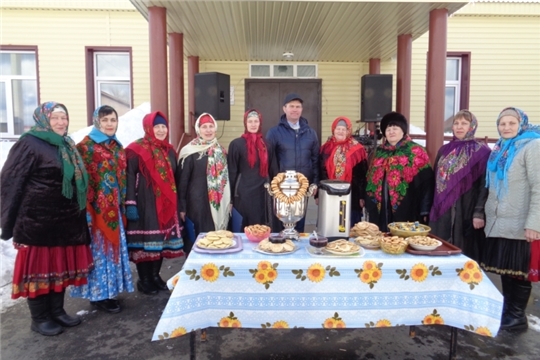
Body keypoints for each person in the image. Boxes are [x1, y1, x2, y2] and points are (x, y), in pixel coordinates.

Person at [0, 102, 93, 336]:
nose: (61, 122)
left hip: (64, 222)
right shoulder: (29, 143)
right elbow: (11, 182)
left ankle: (57, 311)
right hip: (37, 222)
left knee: (58, 268)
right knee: (39, 270)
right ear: (43, 119)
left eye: (64, 117)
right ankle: (39, 318)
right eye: (55, 118)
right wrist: (11, 224)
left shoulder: (66, 144)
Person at [70, 106, 134, 313]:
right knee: (100, 253)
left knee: (112, 252)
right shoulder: (86, 147)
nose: (109, 124)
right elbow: (80, 181)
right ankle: (98, 295)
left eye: (112, 120)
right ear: (96, 121)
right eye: (104, 120)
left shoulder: (116, 146)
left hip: (114, 208)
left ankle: (110, 292)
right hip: (95, 212)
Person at [482, 107, 540, 331]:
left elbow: (538, 188)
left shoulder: (532, 146)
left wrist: (534, 223)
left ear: (521, 124)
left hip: (521, 222)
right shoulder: (500, 148)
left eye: (511, 123)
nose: (506, 127)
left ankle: (517, 317)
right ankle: (509, 312)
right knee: (508, 271)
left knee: (520, 272)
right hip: (502, 220)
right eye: (502, 123)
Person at [125, 111, 184, 295]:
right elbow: (128, 177)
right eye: (156, 126)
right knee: (146, 242)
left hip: (166, 205)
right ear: (148, 128)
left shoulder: (170, 150)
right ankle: (144, 280)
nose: (160, 130)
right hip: (145, 203)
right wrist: (130, 203)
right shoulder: (136, 150)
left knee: (161, 242)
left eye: (163, 126)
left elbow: (176, 178)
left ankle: (155, 276)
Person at [429, 110, 491, 261]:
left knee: (464, 251)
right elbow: (435, 179)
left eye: (464, 123)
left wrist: (478, 212)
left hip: (466, 206)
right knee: (440, 247)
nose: (459, 127)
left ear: (472, 126)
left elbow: (485, 185)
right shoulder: (444, 150)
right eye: (456, 123)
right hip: (443, 208)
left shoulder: (481, 151)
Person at [365, 111, 434, 232]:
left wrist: (425, 209)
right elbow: (370, 179)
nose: (391, 132)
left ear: (403, 130)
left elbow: (427, 182)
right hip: (381, 207)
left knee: (402, 240)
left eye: (395, 128)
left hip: (407, 206)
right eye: (388, 129)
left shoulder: (415, 151)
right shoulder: (379, 152)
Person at [266, 93, 320, 232]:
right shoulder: (274, 133)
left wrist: (315, 182)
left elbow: (315, 160)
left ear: (301, 109)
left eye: (298, 106)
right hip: (282, 187)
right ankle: (280, 249)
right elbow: (269, 161)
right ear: (284, 108)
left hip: (302, 187)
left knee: (299, 221)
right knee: (280, 222)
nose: (294, 109)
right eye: (291, 106)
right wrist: (273, 183)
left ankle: (298, 251)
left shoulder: (311, 133)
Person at [178, 113, 231, 245]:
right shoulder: (189, 152)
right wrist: (182, 207)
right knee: (198, 241)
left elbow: (227, 179)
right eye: (204, 127)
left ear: (215, 129)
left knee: (217, 241)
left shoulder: (221, 151)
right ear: (198, 130)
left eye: (211, 126)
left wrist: (230, 201)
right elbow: (182, 182)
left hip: (218, 204)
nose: (208, 130)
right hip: (197, 205)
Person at [227, 109, 279, 232]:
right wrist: (230, 198)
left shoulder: (268, 144)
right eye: (250, 121)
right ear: (245, 123)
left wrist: (277, 192)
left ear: (260, 123)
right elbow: (232, 172)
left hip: (263, 191)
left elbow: (274, 170)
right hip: (243, 192)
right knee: (244, 226)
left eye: (256, 121)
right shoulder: (236, 144)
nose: (253, 124)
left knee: (262, 225)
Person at [319, 116, 368, 225]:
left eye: (344, 129)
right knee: (329, 225)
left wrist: (362, 196)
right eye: (338, 128)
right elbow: (321, 171)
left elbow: (363, 175)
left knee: (347, 227)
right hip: (328, 194)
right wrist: (318, 195)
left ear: (348, 131)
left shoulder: (358, 149)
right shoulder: (325, 148)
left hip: (352, 196)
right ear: (333, 130)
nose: (340, 131)